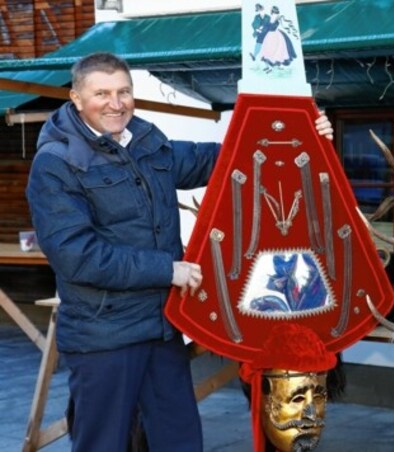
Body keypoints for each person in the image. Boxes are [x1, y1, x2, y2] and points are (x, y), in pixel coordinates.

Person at [25, 52, 333, 451]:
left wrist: (301, 131)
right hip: (103, 336)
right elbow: (77, 256)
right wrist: (168, 270)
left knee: (181, 439)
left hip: (161, 327)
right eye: (102, 93)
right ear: (76, 98)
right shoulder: (56, 164)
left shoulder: (146, 143)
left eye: (124, 92)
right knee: (103, 444)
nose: (116, 103)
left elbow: (223, 158)